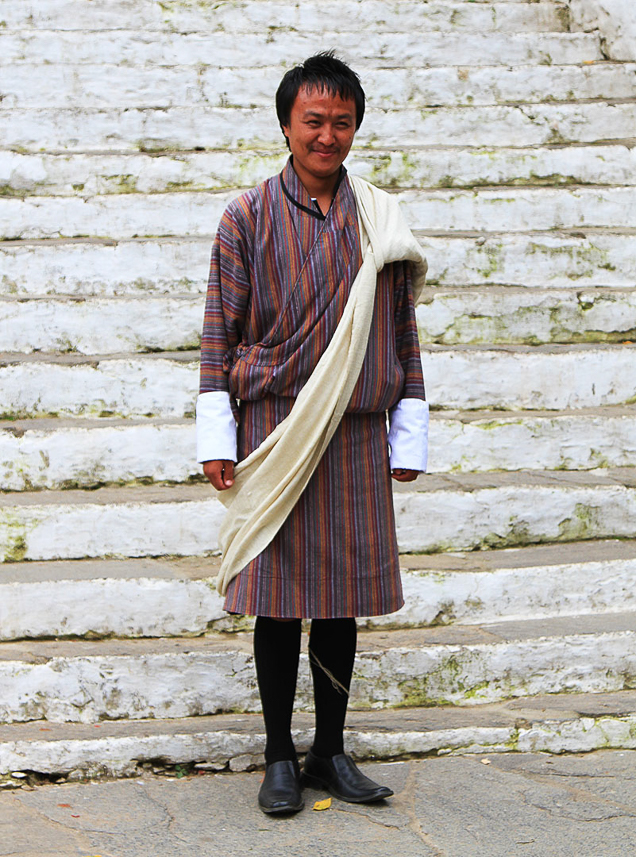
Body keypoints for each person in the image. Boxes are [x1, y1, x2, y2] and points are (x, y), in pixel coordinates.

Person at [196, 51, 428, 815]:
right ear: (287, 124)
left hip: (357, 432)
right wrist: (216, 431)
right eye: (314, 121)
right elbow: (217, 332)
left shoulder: (379, 219)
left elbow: (400, 328)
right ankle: (278, 756)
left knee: (341, 600)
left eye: (342, 121)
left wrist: (409, 426)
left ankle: (330, 749)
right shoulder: (248, 216)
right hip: (278, 423)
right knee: (279, 598)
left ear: (356, 125)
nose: (328, 135)